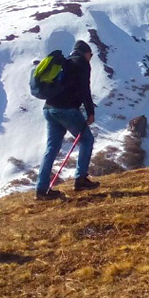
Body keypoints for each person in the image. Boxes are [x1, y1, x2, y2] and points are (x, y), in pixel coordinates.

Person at [35, 40, 97, 200]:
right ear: (86, 53)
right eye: (91, 55)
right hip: (66, 109)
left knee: (52, 148)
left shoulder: (65, 63)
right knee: (87, 140)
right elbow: (85, 89)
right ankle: (80, 179)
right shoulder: (82, 64)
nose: (91, 58)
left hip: (49, 109)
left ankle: (41, 190)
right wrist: (90, 112)